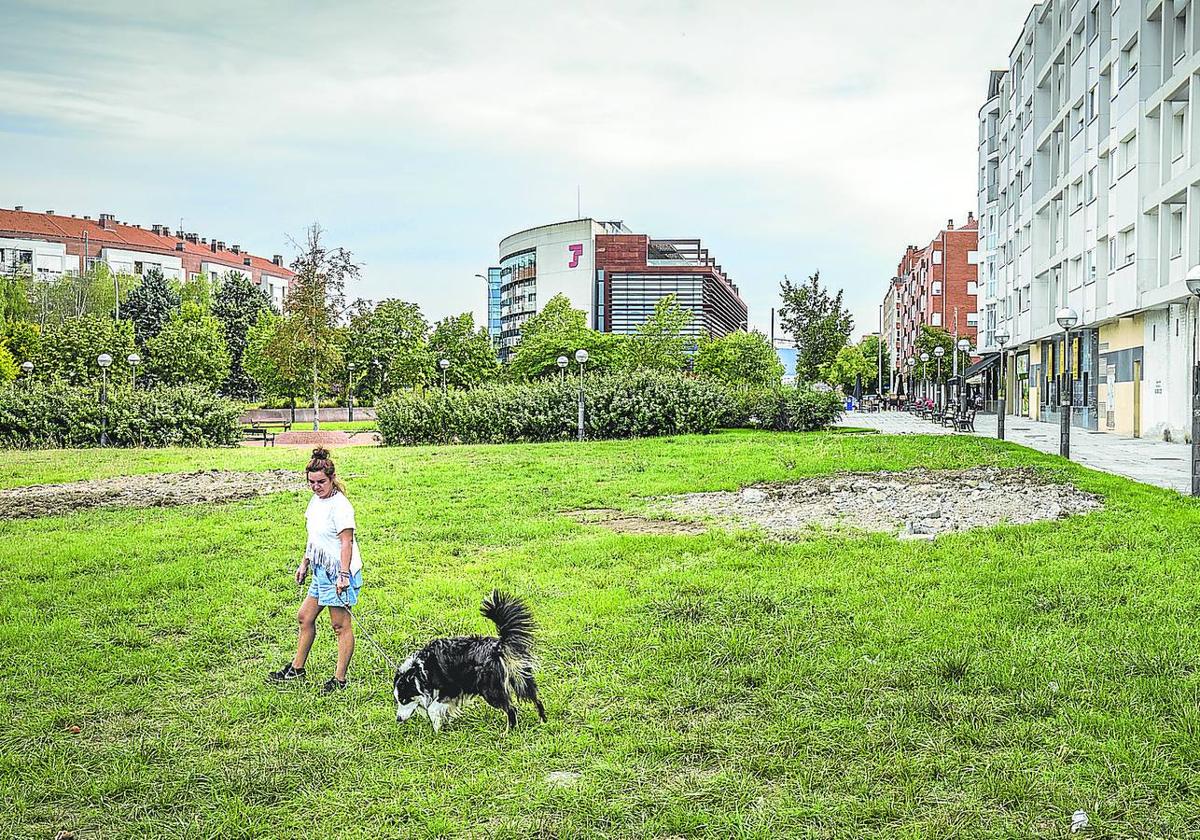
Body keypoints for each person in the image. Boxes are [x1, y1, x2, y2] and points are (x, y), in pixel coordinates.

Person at [269, 447, 364, 692]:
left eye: (321, 482)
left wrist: (344, 575)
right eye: (311, 482)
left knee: (340, 626)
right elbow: (315, 538)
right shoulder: (315, 501)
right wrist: (305, 562)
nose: (316, 486)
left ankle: (339, 680)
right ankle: (297, 669)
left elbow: (347, 542)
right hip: (321, 569)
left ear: (332, 478)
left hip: (339, 573)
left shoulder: (340, 505)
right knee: (305, 617)